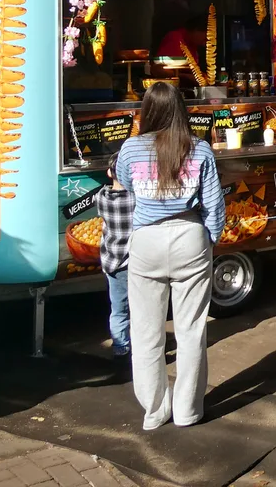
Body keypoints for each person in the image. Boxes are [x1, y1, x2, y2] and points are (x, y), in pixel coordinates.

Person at [117, 81, 225, 430]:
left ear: (146, 112)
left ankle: (154, 410)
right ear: (181, 110)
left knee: (146, 331)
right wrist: (210, 239)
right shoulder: (201, 149)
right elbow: (214, 206)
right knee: (191, 329)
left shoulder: (131, 149)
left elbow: (125, 184)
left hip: (146, 241)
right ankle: (187, 411)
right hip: (189, 238)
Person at [95, 167, 134, 360]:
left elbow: (103, 191)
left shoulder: (101, 198)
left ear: (110, 173)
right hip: (134, 261)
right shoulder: (135, 199)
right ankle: (144, 346)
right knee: (141, 308)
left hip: (112, 261)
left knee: (118, 308)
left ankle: (121, 347)